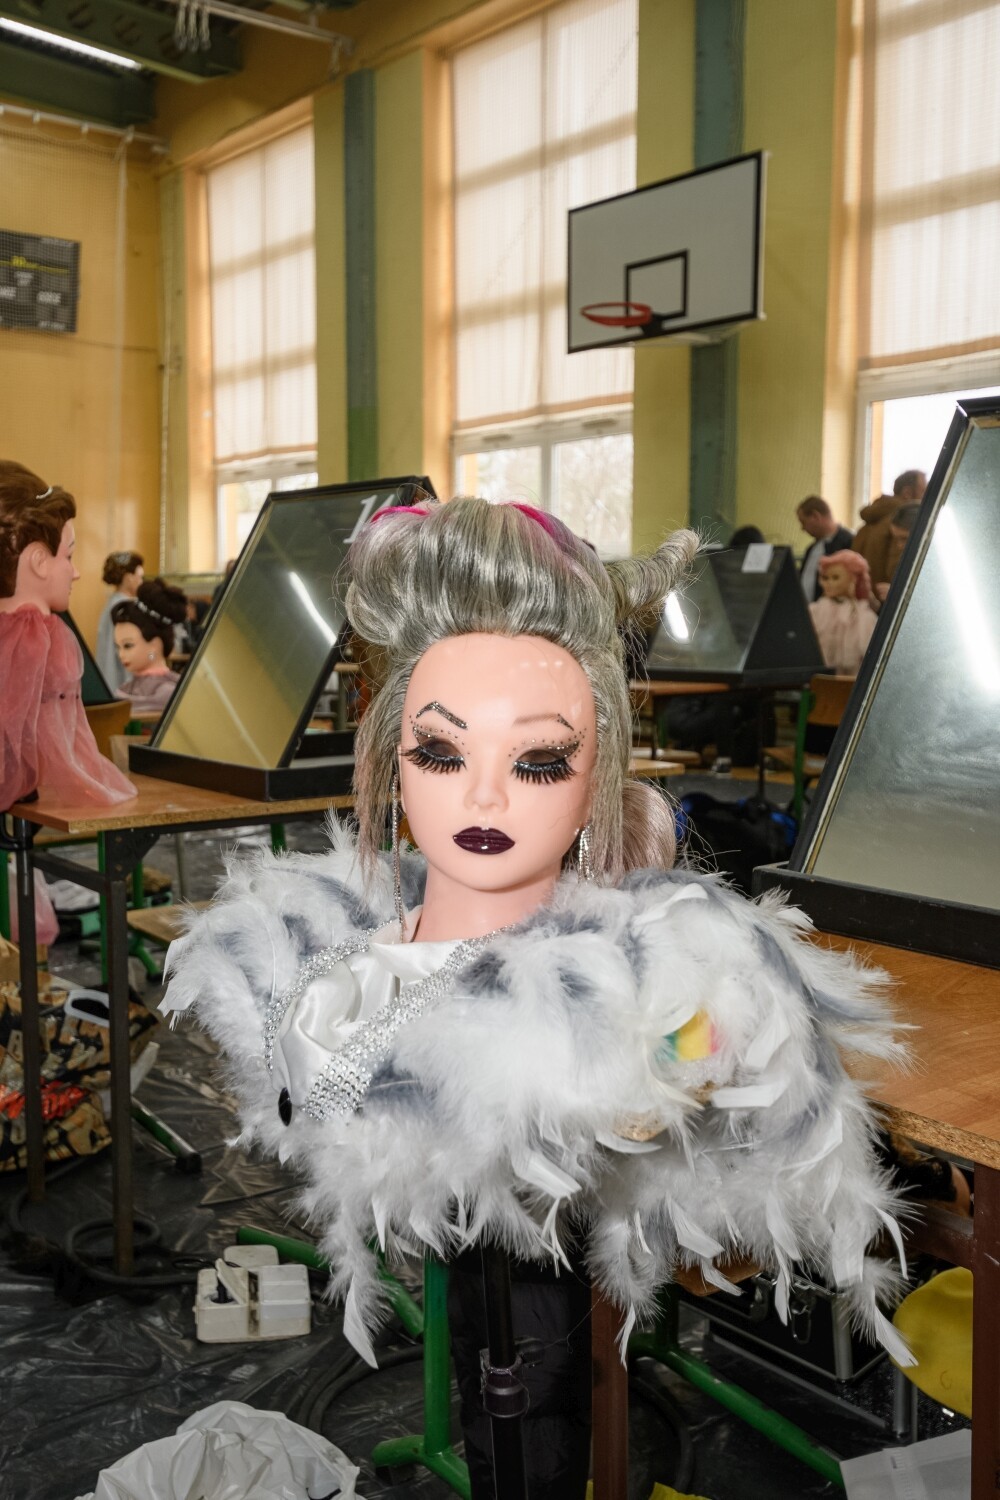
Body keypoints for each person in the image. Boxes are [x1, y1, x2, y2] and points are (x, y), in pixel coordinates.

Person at [164, 498, 911, 1499]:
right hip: (480, 1265)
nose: (484, 798)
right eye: (441, 753)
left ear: (595, 772)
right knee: (496, 1377)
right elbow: (309, 1092)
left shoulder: (660, 974)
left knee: (538, 1382)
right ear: (390, 758)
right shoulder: (332, 979)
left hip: (551, 1290)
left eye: (539, 761)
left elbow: (702, 1063)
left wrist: (677, 1049)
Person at [0, 460, 135, 811]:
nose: (75, 573)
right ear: (38, 561)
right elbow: (52, 740)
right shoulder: (37, 636)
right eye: (69, 556)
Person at [111, 577, 188, 717]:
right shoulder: (126, 688)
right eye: (118, 647)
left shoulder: (168, 691)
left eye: (128, 646)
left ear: (154, 646)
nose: (121, 654)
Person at [853, 469, 926, 592]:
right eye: (924, 491)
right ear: (907, 493)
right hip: (887, 596)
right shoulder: (901, 523)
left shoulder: (868, 523)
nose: (927, 496)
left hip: (865, 596)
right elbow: (895, 570)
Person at [809, 550, 878, 676]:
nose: (828, 583)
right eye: (825, 578)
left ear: (853, 579)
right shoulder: (815, 611)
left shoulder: (864, 617)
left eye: (835, 578)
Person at [96, 550, 144, 691]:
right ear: (129, 578)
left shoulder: (111, 604)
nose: (141, 582)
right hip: (121, 682)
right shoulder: (126, 608)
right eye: (140, 577)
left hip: (107, 681)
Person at [796, 496, 854, 602]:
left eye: (803, 522)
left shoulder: (848, 542)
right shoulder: (811, 548)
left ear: (816, 516)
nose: (803, 529)